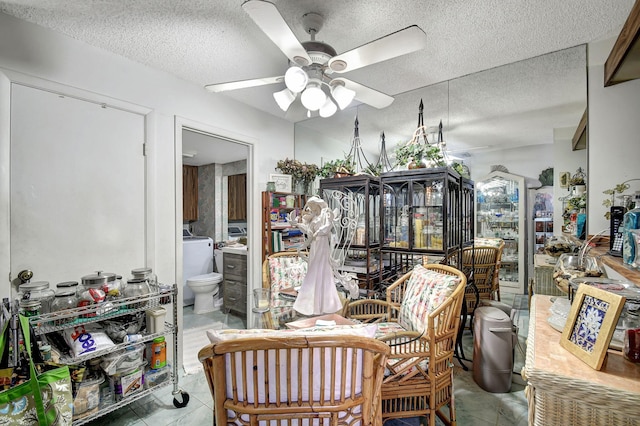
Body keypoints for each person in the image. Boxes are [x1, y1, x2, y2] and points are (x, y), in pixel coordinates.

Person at [291, 196, 342, 315]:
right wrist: (297, 225)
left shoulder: (325, 216)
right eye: (310, 206)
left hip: (322, 243)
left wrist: (318, 232)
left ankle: (325, 302)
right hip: (314, 243)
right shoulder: (313, 218)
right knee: (312, 266)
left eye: (313, 206)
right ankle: (310, 301)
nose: (312, 208)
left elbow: (327, 227)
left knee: (320, 268)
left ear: (318, 205)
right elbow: (308, 230)